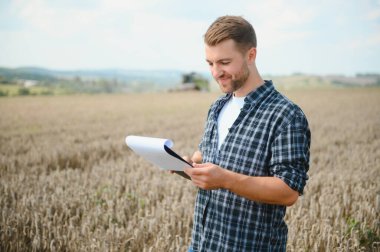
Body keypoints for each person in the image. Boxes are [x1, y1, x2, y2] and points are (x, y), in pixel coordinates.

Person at [182, 15, 311, 251]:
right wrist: (190, 163)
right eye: (210, 63)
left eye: (224, 62)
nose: (215, 72)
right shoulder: (218, 107)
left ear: (251, 55)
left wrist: (225, 179)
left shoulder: (285, 115)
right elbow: (211, 155)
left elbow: (289, 191)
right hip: (201, 244)